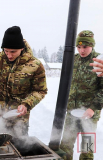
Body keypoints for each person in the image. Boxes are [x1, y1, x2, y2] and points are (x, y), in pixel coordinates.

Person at [0, 26, 47, 137]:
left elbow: (40, 91)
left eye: (13, 52)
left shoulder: (35, 65)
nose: (9, 55)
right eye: (6, 51)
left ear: (21, 48)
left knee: (18, 149)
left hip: (19, 119)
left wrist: (27, 104)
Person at [60, 30, 103, 160]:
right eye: (78, 47)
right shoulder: (74, 60)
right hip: (72, 112)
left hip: (90, 113)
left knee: (87, 149)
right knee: (65, 146)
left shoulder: (99, 61)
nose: (81, 50)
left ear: (92, 45)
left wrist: (93, 108)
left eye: (85, 47)